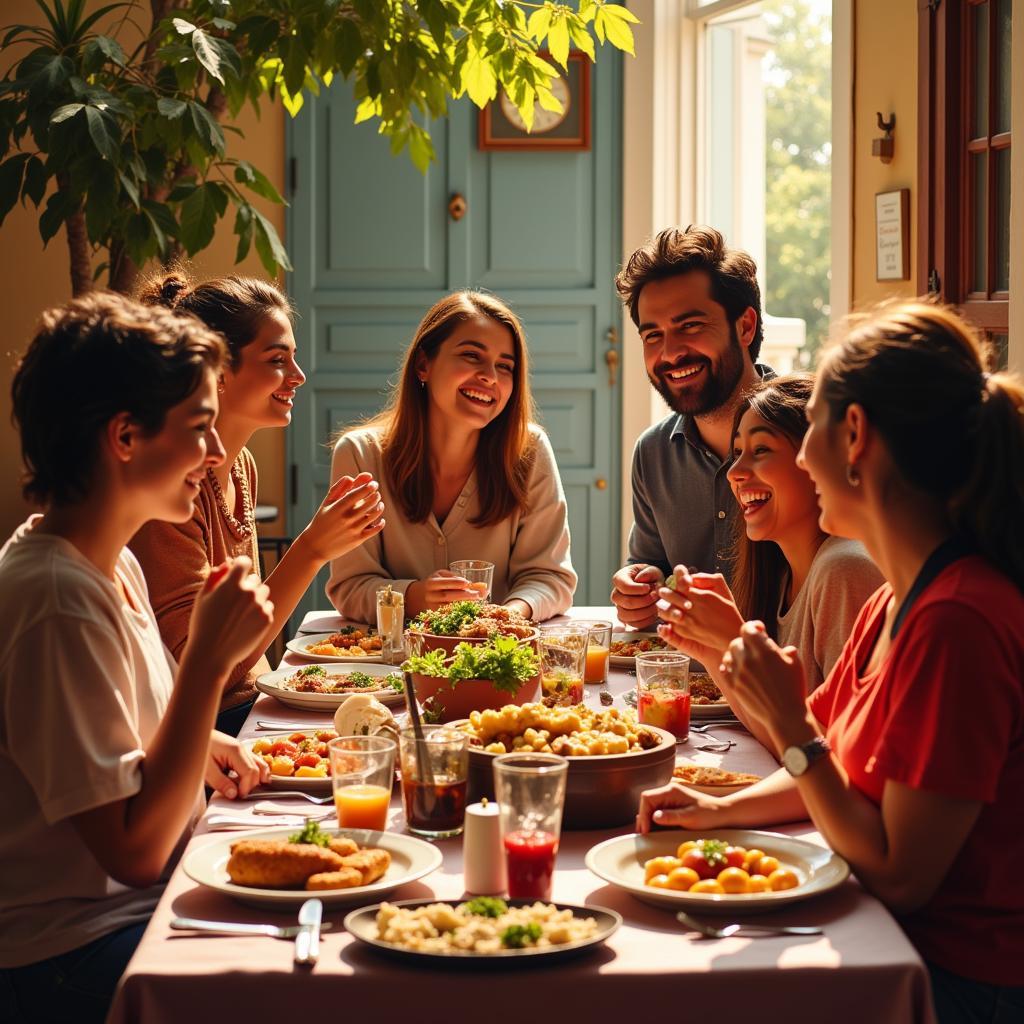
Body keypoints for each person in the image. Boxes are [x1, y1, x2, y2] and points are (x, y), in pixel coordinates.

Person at [636, 302, 1024, 1023]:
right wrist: (716, 812)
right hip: (877, 929)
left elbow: (901, 874)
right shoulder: (897, 600)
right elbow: (828, 769)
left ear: (853, 437)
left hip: (950, 979)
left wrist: (790, 723)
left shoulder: (957, 620)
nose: (802, 455)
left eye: (808, 427)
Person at [0, 294, 275, 1024]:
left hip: (129, 912)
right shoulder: (57, 598)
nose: (217, 455)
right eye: (199, 429)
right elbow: (135, 852)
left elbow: (127, 744)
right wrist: (208, 666)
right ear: (124, 436)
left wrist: (202, 740)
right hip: (71, 954)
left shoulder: (107, 561)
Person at [132, 272, 385, 736]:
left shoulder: (241, 466)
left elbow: (244, 659)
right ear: (219, 372)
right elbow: (209, 673)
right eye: (277, 359)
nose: (299, 376)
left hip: (253, 705)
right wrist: (309, 552)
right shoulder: (170, 489)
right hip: (202, 733)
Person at [655, 375, 882, 744]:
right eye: (737, 453)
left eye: (761, 451)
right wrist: (712, 651)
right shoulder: (780, 574)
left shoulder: (844, 569)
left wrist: (733, 641)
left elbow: (835, 756)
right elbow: (779, 738)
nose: (734, 473)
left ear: (816, 461)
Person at [327, 290, 576, 622]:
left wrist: (508, 616)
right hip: (389, 666)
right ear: (423, 364)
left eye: (505, 366)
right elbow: (349, 585)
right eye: (472, 356)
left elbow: (551, 578)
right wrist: (412, 597)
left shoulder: (529, 451)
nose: (490, 376)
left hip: (495, 663)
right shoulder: (359, 456)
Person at [610, 225, 773, 629]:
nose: (670, 353)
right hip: (686, 686)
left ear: (745, 327)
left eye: (690, 326)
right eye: (653, 335)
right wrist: (640, 587)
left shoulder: (811, 433)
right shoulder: (652, 453)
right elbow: (652, 565)